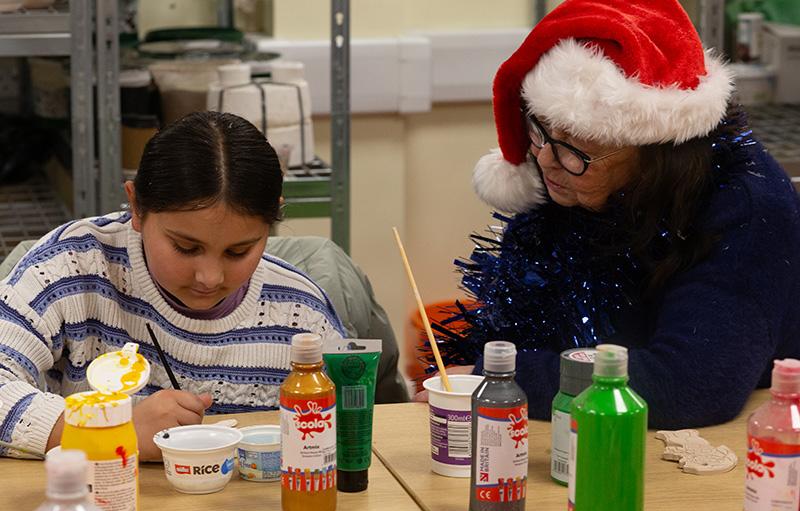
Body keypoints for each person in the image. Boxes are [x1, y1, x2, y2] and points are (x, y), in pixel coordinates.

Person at [430, 0, 800, 429]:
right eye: (541, 130)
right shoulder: (575, 184)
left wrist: (500, 380)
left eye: (577, 147)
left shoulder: (745, 206)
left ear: (656, 152)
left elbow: (688, 384)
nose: (546, 160)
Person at [0, 111, 347, 461]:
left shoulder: (302, 315)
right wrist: (112, 430)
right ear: (136, 206)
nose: (209, 277)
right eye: (186, 247)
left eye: (238, 251)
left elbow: (355, 427)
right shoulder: (72, 266)